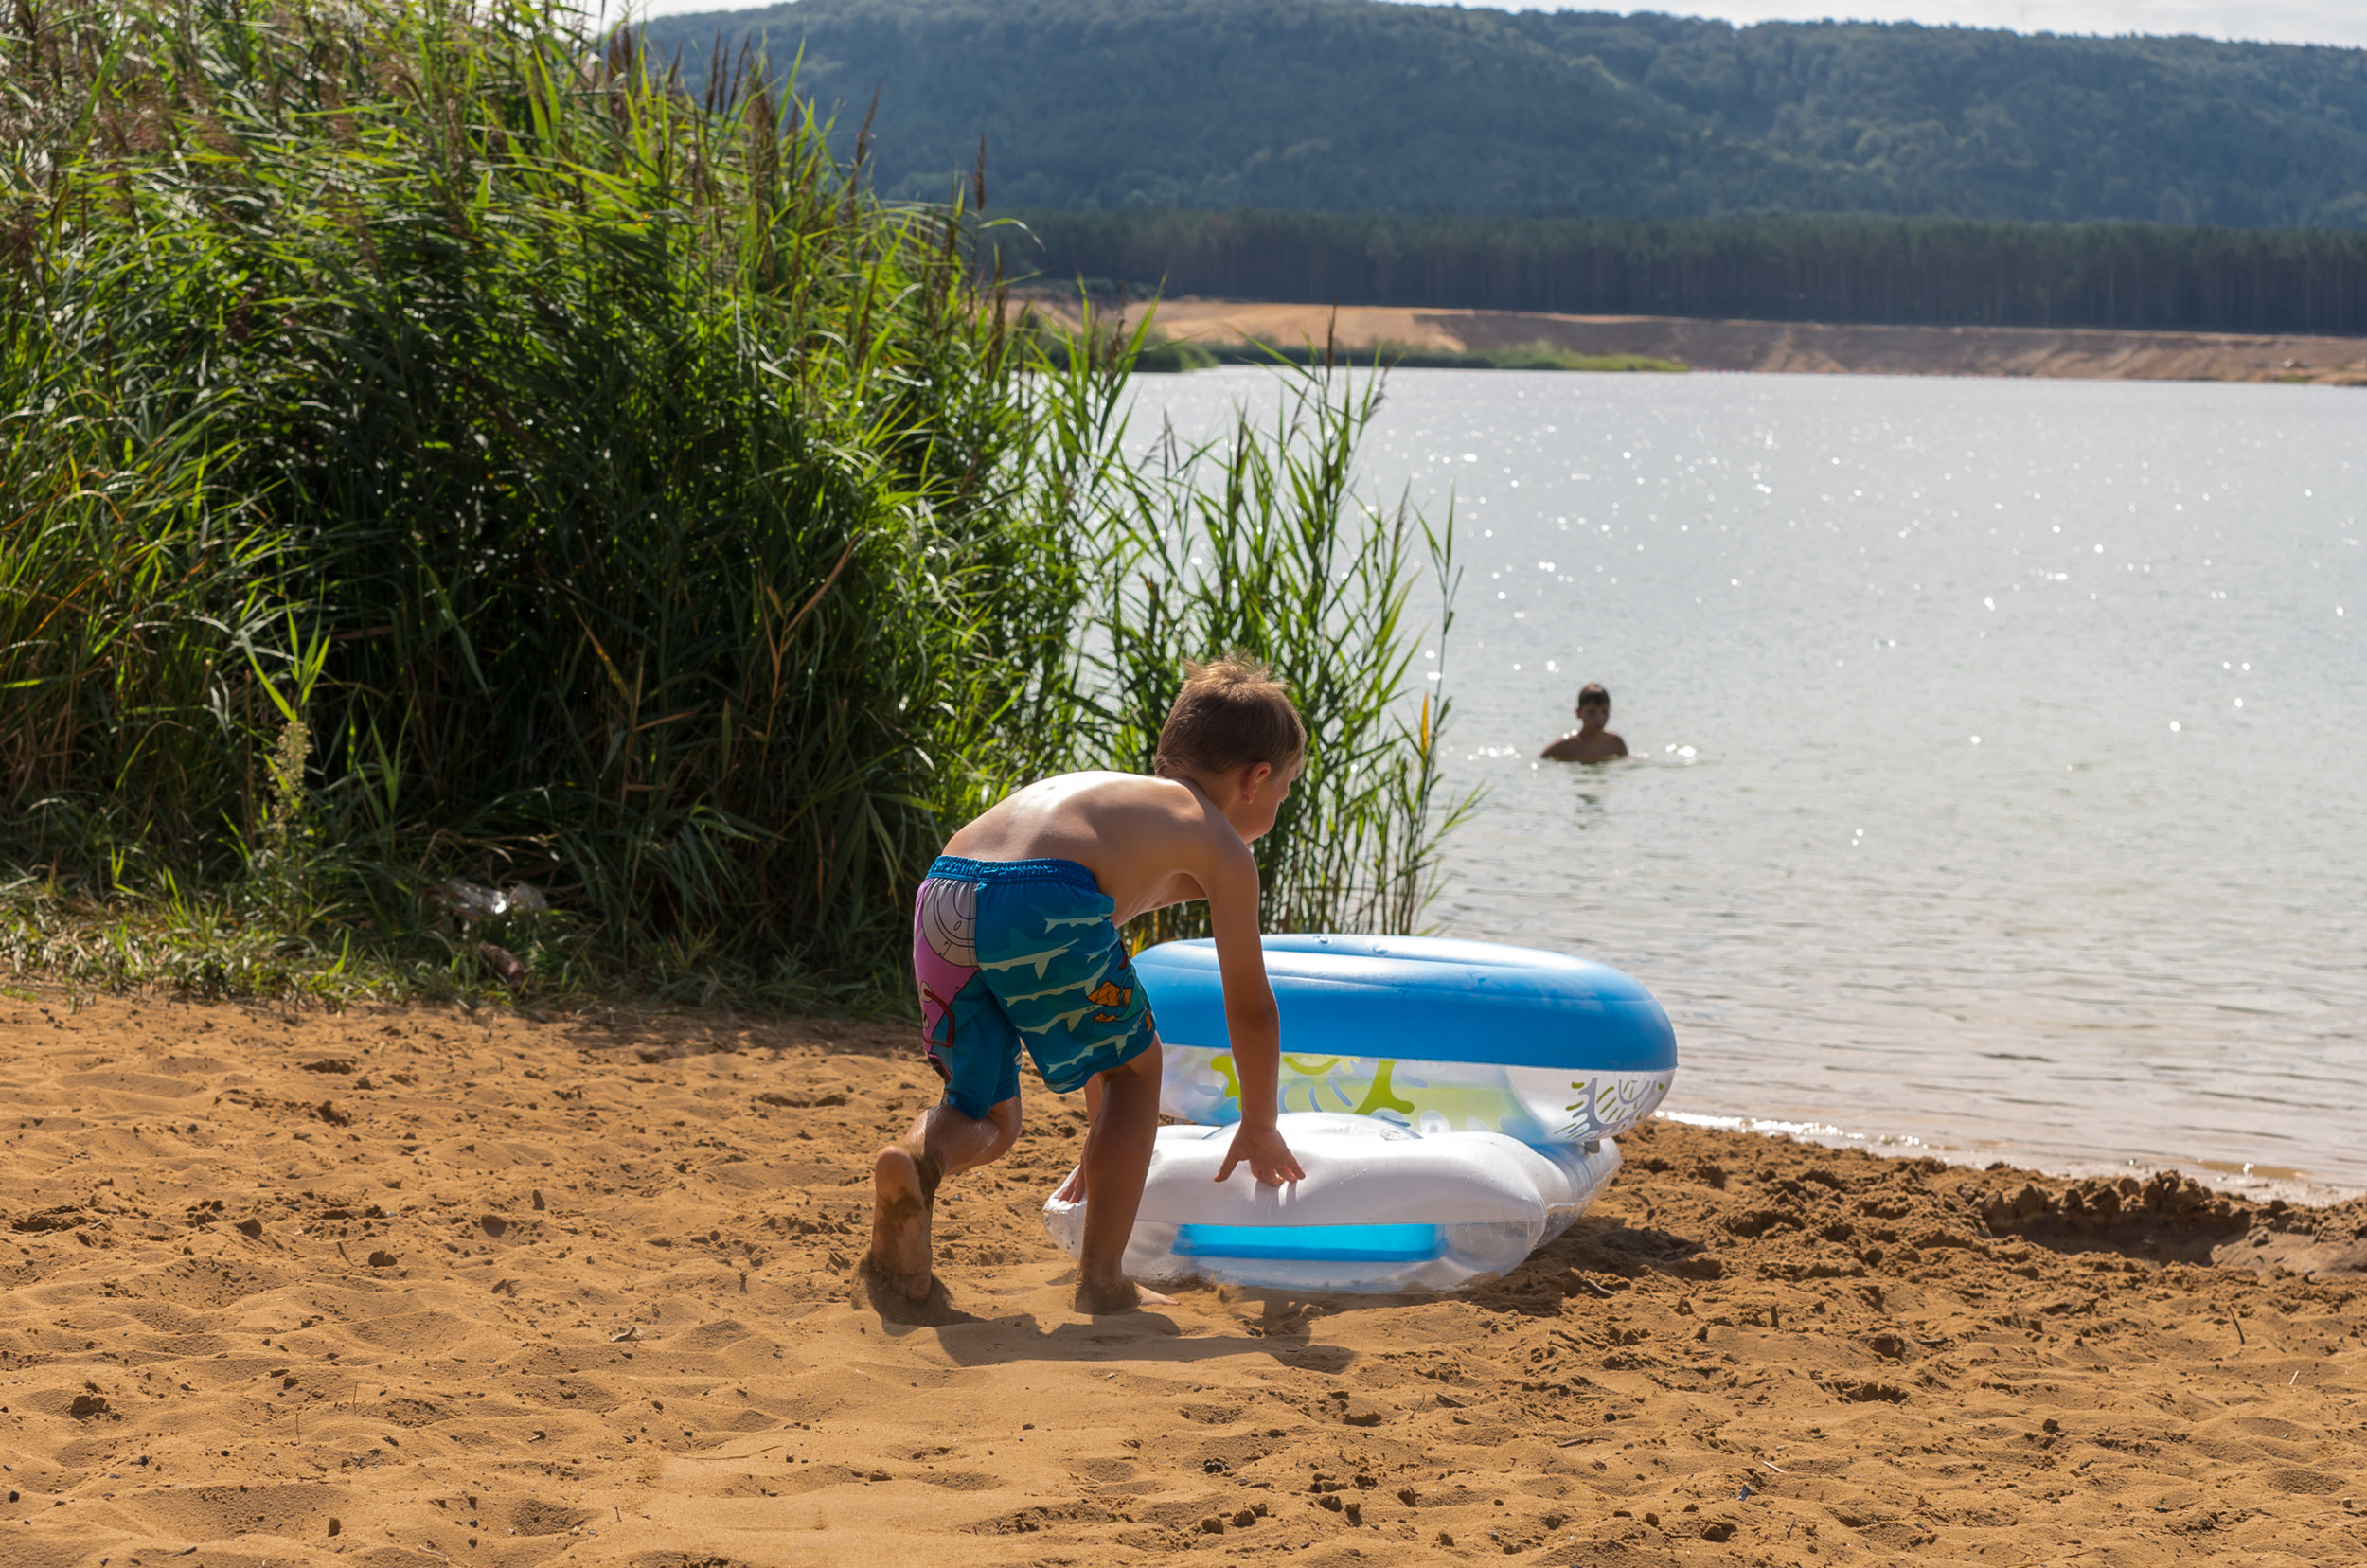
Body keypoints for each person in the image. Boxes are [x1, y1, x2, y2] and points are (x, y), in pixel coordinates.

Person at [864, 655, 1308, 1317]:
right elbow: (1250, 1009)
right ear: (1257, 778)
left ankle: (917, 1161)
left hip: (946, 890)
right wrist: (1260, 1122)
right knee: (1138, 1072)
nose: (1277, 805)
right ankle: (1102, 1282)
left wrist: (1109, 1155)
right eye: (1284, 792)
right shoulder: (1218, 843)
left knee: (989, 1116)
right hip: (1043, 893)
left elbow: (1099, 1026)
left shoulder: (1123, 805)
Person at [1540, 683, 1628, 763]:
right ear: (1578, 713)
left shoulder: (1616, 743)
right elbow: (1542, 763)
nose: (1599, 718)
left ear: (1610, 711)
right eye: (1592, 712)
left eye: (1604, 711)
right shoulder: (1567, 745)